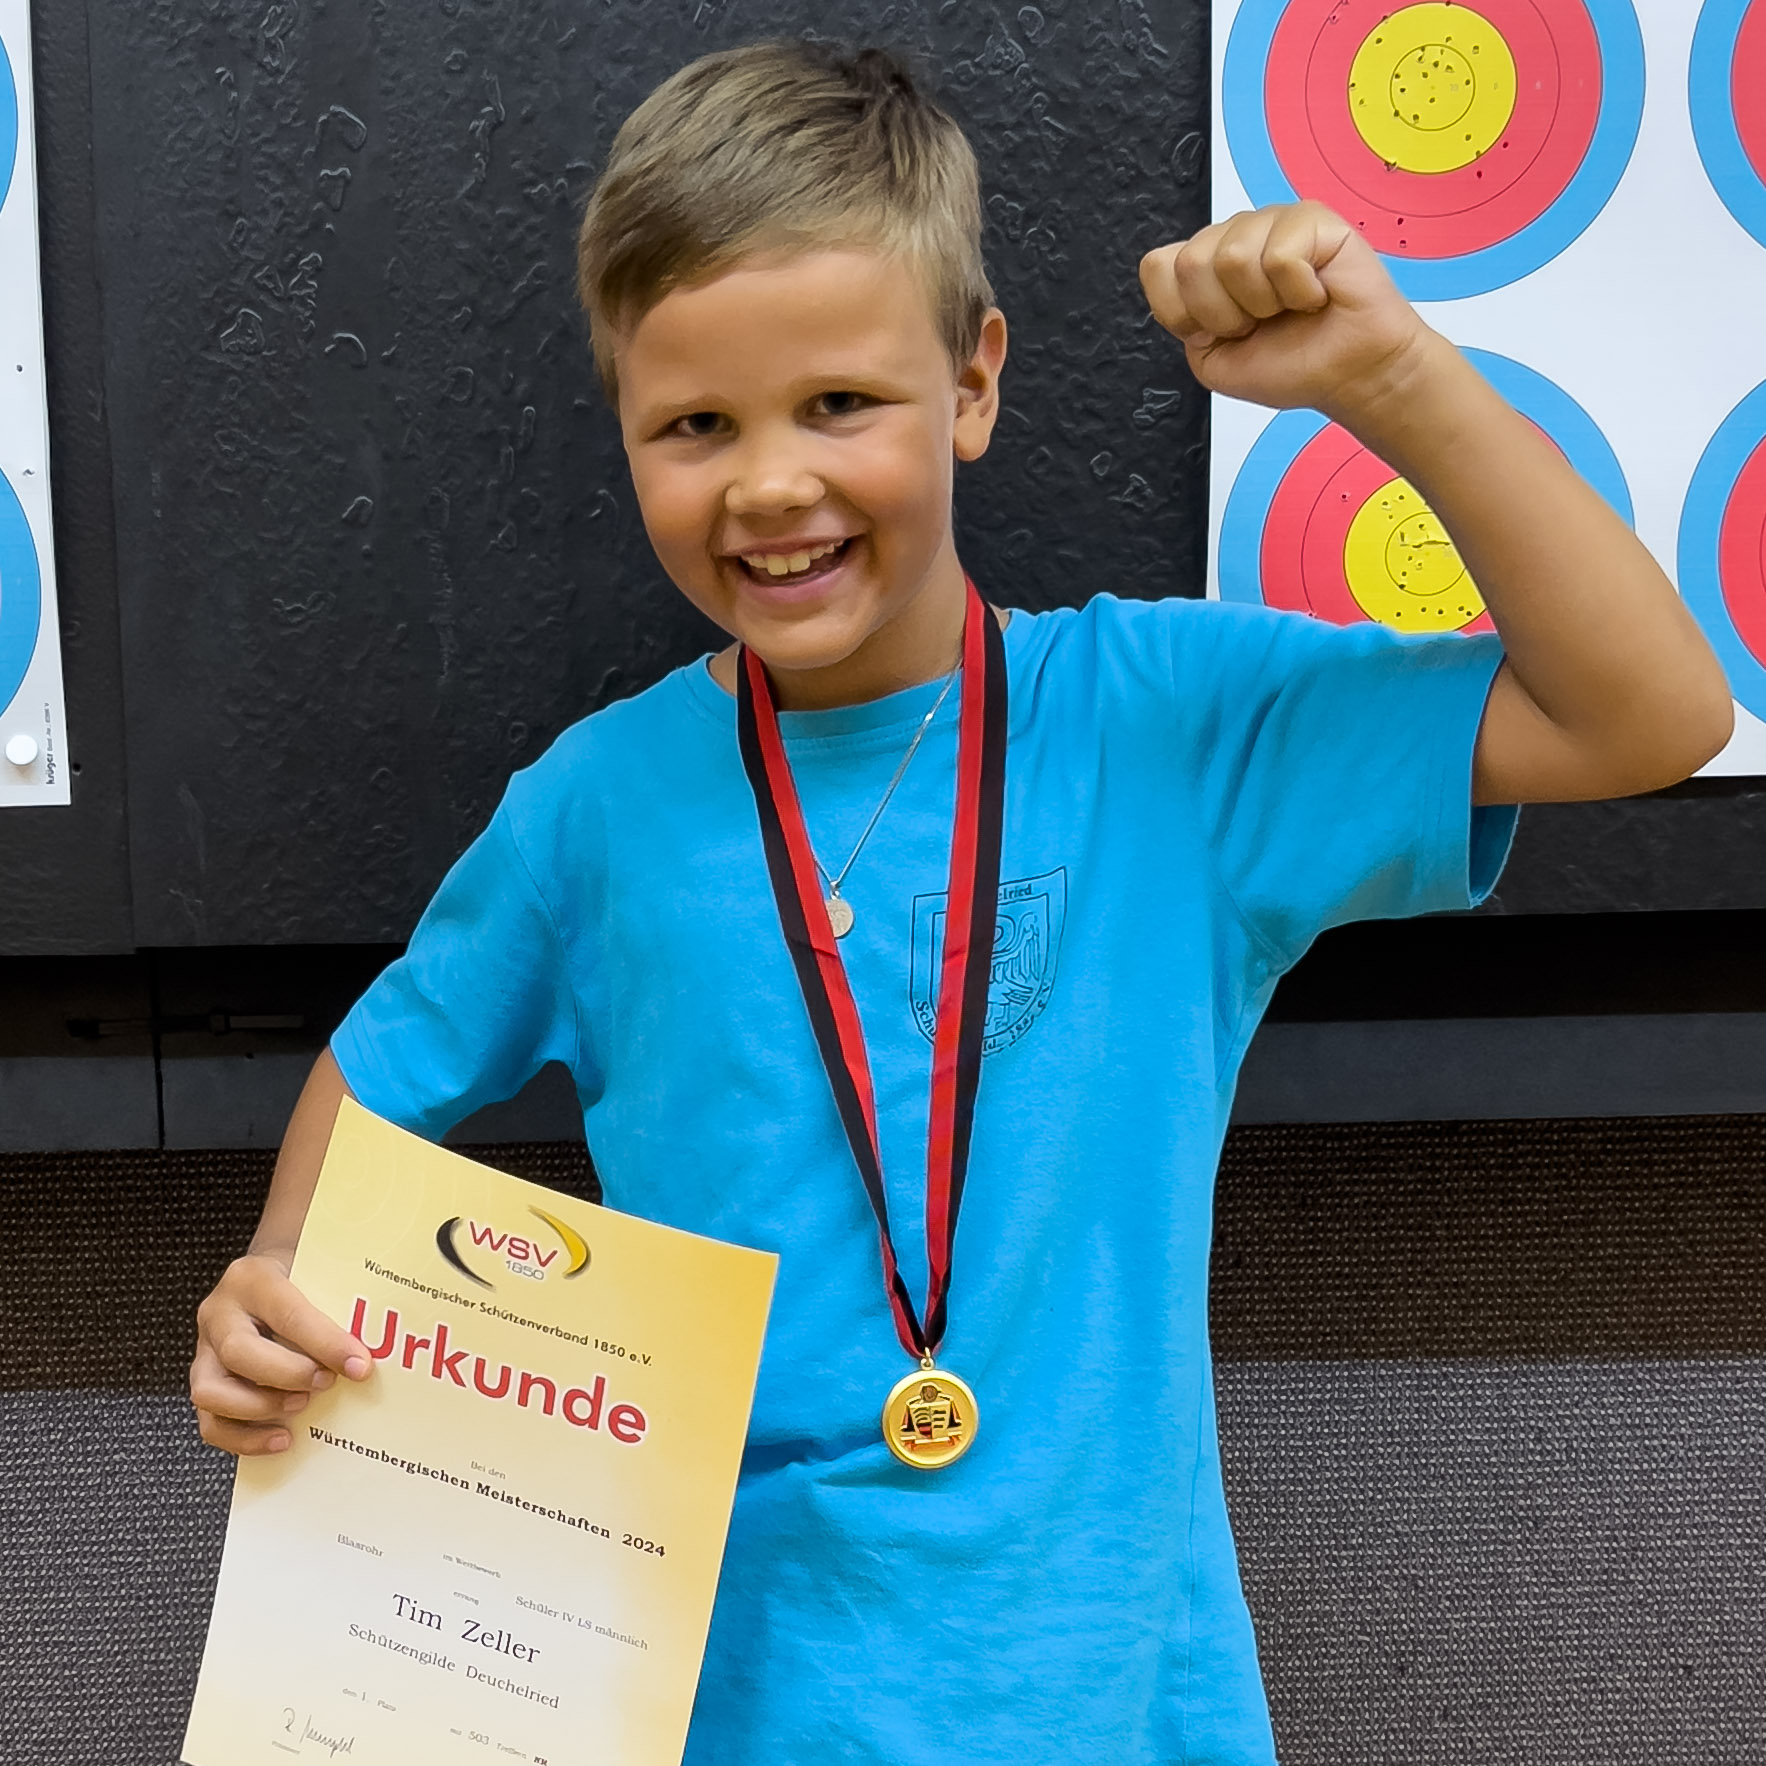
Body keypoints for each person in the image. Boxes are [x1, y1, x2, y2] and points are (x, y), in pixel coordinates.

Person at [188, 39, 1733, 1765]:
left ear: (974, 383)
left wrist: (1389, 375)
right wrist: (279, 1271)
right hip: (710, 1705)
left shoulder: (1173, 728)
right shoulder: (592, 810)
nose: (770, 483)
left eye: (838, 403)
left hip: (1116, 1708)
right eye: (694, 425)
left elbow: (1646, 715)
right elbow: (390, 1061)